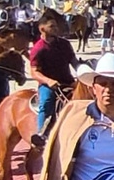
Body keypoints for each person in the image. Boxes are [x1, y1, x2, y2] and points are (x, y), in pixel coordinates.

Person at [29, 16, 79, 148]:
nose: (56, 29)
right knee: (46, 103)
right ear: (42, 29)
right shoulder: (38, 49)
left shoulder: (64, 44)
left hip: (68, 82)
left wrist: (83, 73)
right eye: (52, 26)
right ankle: (41, 134)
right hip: (49, 85)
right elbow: (34, 72)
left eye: (56, 26)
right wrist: (48, 81)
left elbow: (74, 62)